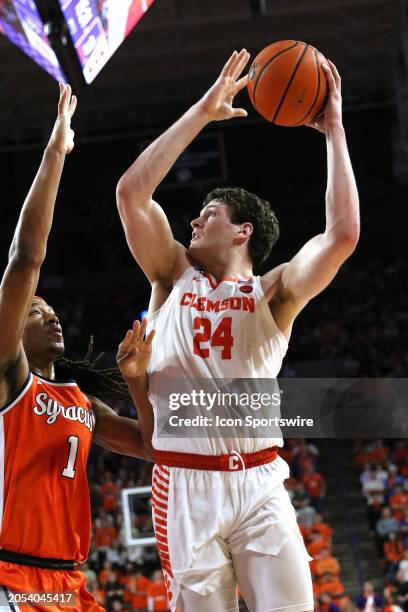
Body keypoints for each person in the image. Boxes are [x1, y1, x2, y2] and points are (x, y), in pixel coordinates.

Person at [117, 48, 359, 611]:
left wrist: (334, 130)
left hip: (258, 485)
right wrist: (202, 111)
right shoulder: (170, 273)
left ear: (242, 231)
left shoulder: (273, 293)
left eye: (210, 213)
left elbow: (342, 235)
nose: (195, 219)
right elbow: (131, 193)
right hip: (185, 484)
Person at [0, 84, 154, 611]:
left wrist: (137, 381)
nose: (51, 314)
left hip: (68, 585)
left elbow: (150, 445)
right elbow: (26, 258)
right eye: (35, 311)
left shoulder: (79, 402)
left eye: (51, 309)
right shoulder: (8, 379)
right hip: (11, 578)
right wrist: (56, 152)